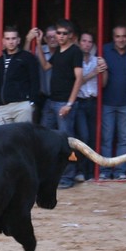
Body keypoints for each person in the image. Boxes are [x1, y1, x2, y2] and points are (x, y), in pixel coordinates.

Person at [35, 19, 83, 189]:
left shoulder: (75, 52)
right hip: (51, 101)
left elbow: (79, 78)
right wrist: (39, 44)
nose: (60, 36)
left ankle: (68, 176)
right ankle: (48, 175)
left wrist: (69, 104)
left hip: (64, 103)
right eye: (58, 33)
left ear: (70, 35)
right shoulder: (59, 51)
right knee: (44, 138)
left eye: (64, 33)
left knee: (66, 141)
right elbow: (46, 66)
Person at [74, 32, 107, 182]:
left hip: (93, 102)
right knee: (83, 137)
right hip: (80, 102)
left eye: (90, 42)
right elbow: (77, 83)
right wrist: (94, 73)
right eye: (84, 41)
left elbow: (104, 84)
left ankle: (90, 173)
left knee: (93, 138)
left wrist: (104, 69)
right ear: (79, 42)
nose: (87, 44)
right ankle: (81, 171)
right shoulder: (76, 60)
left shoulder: (96, 60)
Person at [99, 25, 126, 180]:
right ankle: (105, 171)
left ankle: (120, 171)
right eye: (118, 36)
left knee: (124, 138)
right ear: (113, 37)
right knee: (107, 138)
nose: (121, 39)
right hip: (107, 102)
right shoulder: (104, 50)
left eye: (124, 36)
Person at [0, 25, 39, 126]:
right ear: (3, 41)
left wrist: (31, 103)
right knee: (1, 139)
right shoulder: (1, 60)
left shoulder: (27, 58)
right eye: (8, 38)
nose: (11, 41)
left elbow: (35, 80)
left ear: (19, 40)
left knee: (22, 139)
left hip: (21, 106)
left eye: (13, 38)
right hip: (3, 107)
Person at [24, 25, 57, 124]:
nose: (52, 40)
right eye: (49, 37)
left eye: (54, 36)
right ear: (45, 39)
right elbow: (25, 59)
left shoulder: (63, 51)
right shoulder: (39, 49)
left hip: (59, 97)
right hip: (42, 95)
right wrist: (28, 40)